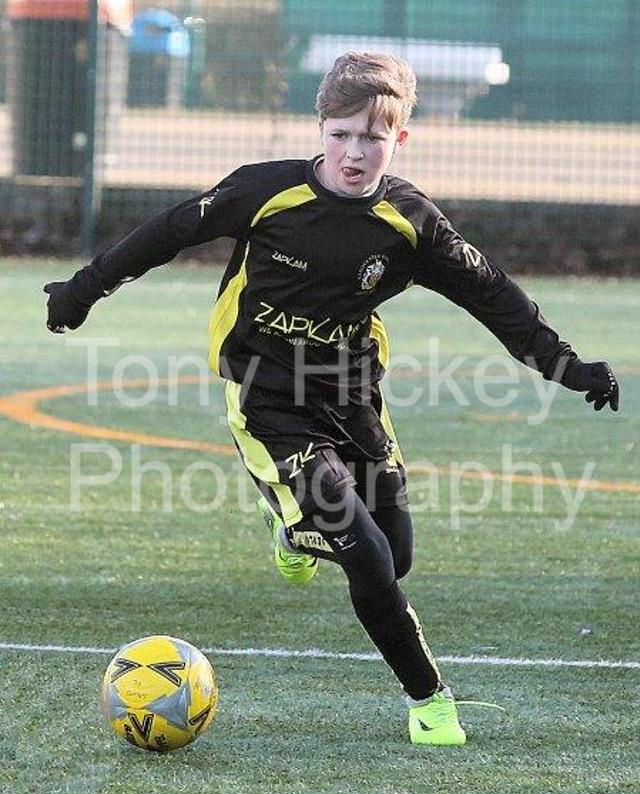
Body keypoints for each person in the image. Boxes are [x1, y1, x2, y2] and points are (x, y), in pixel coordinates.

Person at [44, 52, 619, 747]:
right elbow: (166, 231)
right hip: (268, 403)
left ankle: (294, 532)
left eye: (371, 138)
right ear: (320, 128)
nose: (354, 152)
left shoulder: (410, 223)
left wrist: (565, 365)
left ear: (399, 138)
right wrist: (82, 290)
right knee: (367, 554)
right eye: (341, 134)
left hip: (353, 399)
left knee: (395, 555)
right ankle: (430, 701)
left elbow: (491, 294)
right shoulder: (265, 192)